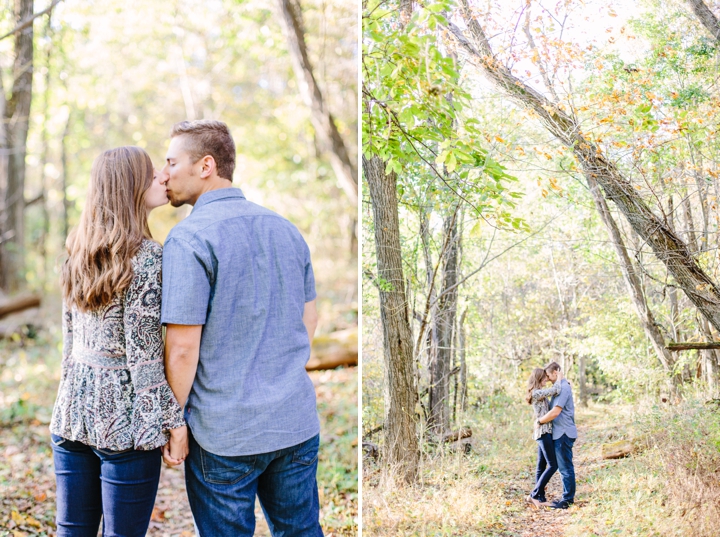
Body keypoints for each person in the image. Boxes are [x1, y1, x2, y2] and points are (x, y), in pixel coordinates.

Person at [158, 119, 322, 536]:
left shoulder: (189, 239)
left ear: (206, 165)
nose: (164, 174)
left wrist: (174, 420)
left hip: (224, 434)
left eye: (172, 162)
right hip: (294, 421)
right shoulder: (285, 229)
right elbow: (310, 318)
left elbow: (181, 349)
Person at [50, 146, 187, 537]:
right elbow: (143, 361)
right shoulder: (146, 259)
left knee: (71, 531)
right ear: (130, 187)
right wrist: (175, 422)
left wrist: (68, 400)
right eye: (151, 174)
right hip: (124, 425)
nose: (162, 176)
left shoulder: (76, 250)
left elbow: (69, 347)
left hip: (72, 413)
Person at [536, 361, 578, 509]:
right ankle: (566, 497)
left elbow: (555, 412)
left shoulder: (563, 388)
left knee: (565, 467)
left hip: (563, 432)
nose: (547, 379)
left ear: (556, 372)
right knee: (563, 467)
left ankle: (567, 500)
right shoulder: (560, 387)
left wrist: (539, 421)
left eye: (548, 375)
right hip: (559, 432)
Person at [525, 367, 562, 509]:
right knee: (553, 464)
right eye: (545, 377)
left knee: (541, 466)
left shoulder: (537, 393)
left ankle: (540, 498)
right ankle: (534, 495)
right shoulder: (537, 393)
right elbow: (556, 390)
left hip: (543, 432)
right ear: (539, 378)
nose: (547, 379)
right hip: (543, 432)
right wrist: (559, 377)